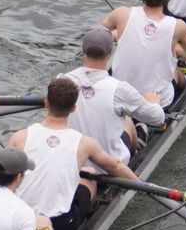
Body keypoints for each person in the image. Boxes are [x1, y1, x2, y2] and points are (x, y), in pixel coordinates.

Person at [8, 76, 139, 230]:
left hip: (19, 221)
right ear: (74, 108)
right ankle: (86, 217)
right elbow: (116, 168)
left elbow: (2, 178)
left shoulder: (19, 137)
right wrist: (143, 186)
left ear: (46, 103)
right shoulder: (84, 143)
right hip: (60, 225)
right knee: (89, 176)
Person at [101, 0, 186, 109]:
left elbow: (96, 34)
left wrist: (117, 34)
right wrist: (176, 51)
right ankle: (185, 82)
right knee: (175, 70)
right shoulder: (178, 26)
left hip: (119, 96)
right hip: (156, 101)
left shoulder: (121, 14)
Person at [63, 26, 165, 163]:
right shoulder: (120, 89)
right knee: (127, 119)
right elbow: (158, 118)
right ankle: (136, 152)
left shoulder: (61, 81)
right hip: (109, 164)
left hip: (74, 162)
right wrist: (154, 102)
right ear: (110, 54)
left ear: (83, 51)